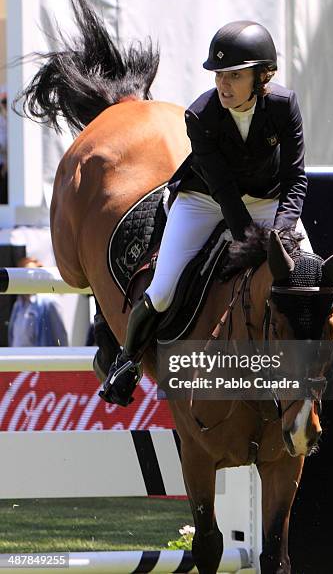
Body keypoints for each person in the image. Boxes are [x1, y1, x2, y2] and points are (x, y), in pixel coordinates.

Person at [99, 20, 311, 406]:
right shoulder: (201, 116)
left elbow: (295, 178)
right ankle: (125, 361)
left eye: (234, 75)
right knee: (161, 290)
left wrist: (278, 236)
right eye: (218, 76)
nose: (223, 85)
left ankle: (311, 375)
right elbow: (225, 192)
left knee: (307, 279)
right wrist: (255, 244)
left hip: (268, 200)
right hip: (205, 199)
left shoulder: (284, 106)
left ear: (262, 76)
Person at [8, 257, 68, 347]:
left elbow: (61, 338)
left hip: (40, 360)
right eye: (23, 275)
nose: (25, 279)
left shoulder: (49, 303)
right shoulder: (18, 305)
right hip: (18, 360)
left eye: (30, 275)